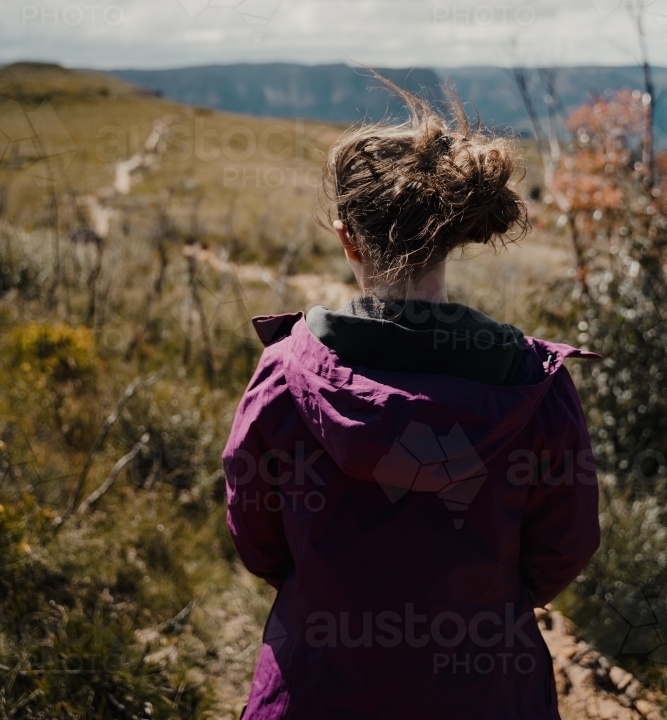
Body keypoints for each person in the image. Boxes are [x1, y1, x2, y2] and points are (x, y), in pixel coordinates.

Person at [223, 82, 600, 720]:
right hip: (485, 691)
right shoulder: (533, 387)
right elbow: (564, 546)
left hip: (316, 686)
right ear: (454, 236)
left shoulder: (283, 377)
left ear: (348, 239)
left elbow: (257, 538)